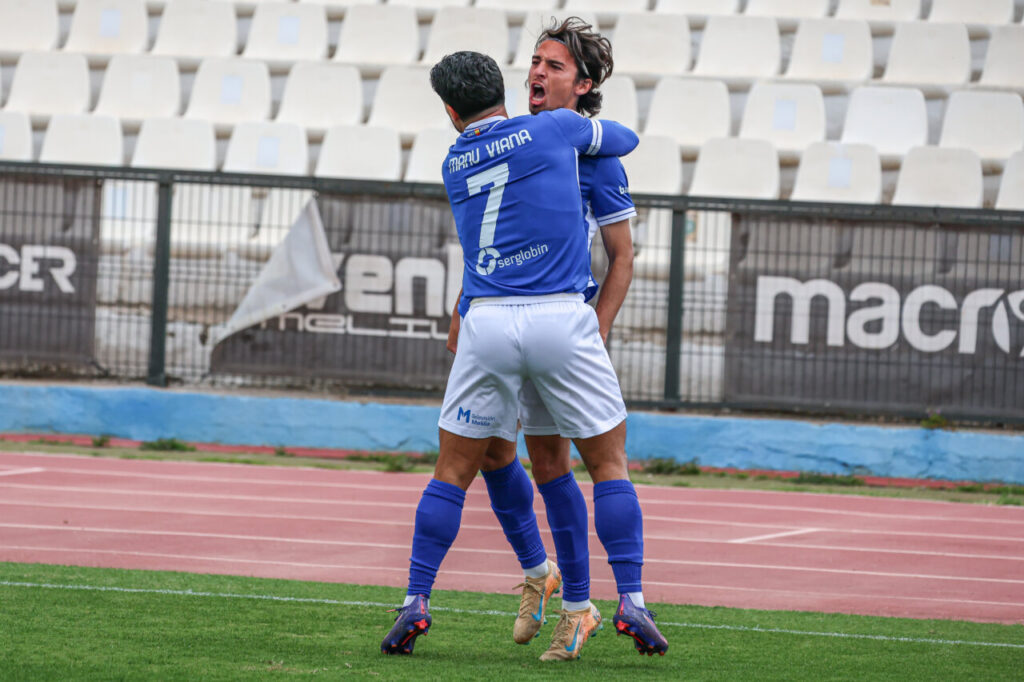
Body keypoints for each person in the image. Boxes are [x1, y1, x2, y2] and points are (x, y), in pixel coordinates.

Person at [380, 50, 648, 661]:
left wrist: (598, 327)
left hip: (540, 320)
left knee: (549, 466)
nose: (540, 73)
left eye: (554, 66)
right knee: (496, 454)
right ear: (509, 83)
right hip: (510, 314)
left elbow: (622, 256)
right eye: (534, 62)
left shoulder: (569, 160)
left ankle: (578, 607)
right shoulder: (556, 133)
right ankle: (542, 573)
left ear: (582, 85)